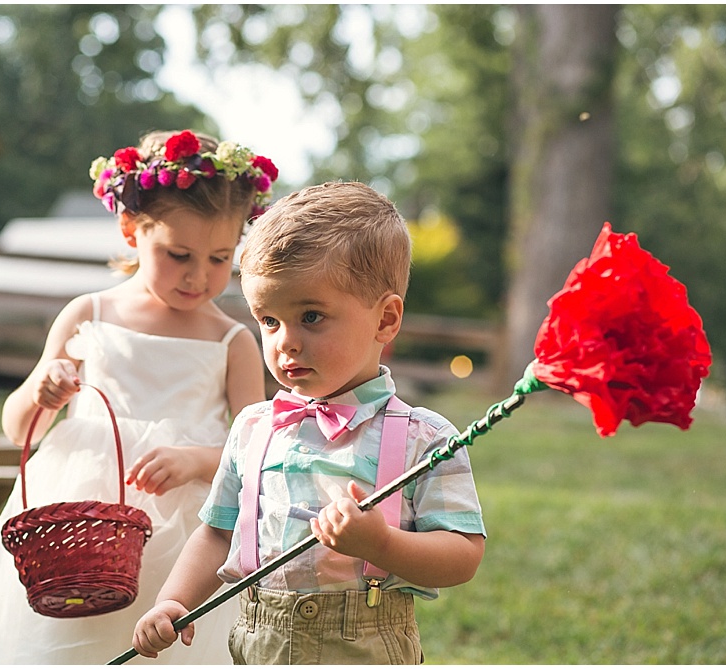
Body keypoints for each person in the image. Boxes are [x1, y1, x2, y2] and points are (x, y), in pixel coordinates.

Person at [132, 181, 488, 664]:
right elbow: (218, 531)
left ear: (386, 320)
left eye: (312, 316)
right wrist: (174, 600)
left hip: (362, 643)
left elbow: (463, 552)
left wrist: (380, 542)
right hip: (260, 640)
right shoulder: (254, 427)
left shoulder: (425, 438)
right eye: (269, 320)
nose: (286, 343)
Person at [0, 129, 278, 664]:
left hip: (186, 534)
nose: (199, 275)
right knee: (71, 645)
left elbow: (254, 455)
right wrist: (43, 392)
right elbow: (16, 428)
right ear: (130, 228)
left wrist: (194, 460)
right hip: (79, 525)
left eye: (219, 258)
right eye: (179, 253)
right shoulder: (89, 313)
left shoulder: (231, 340)